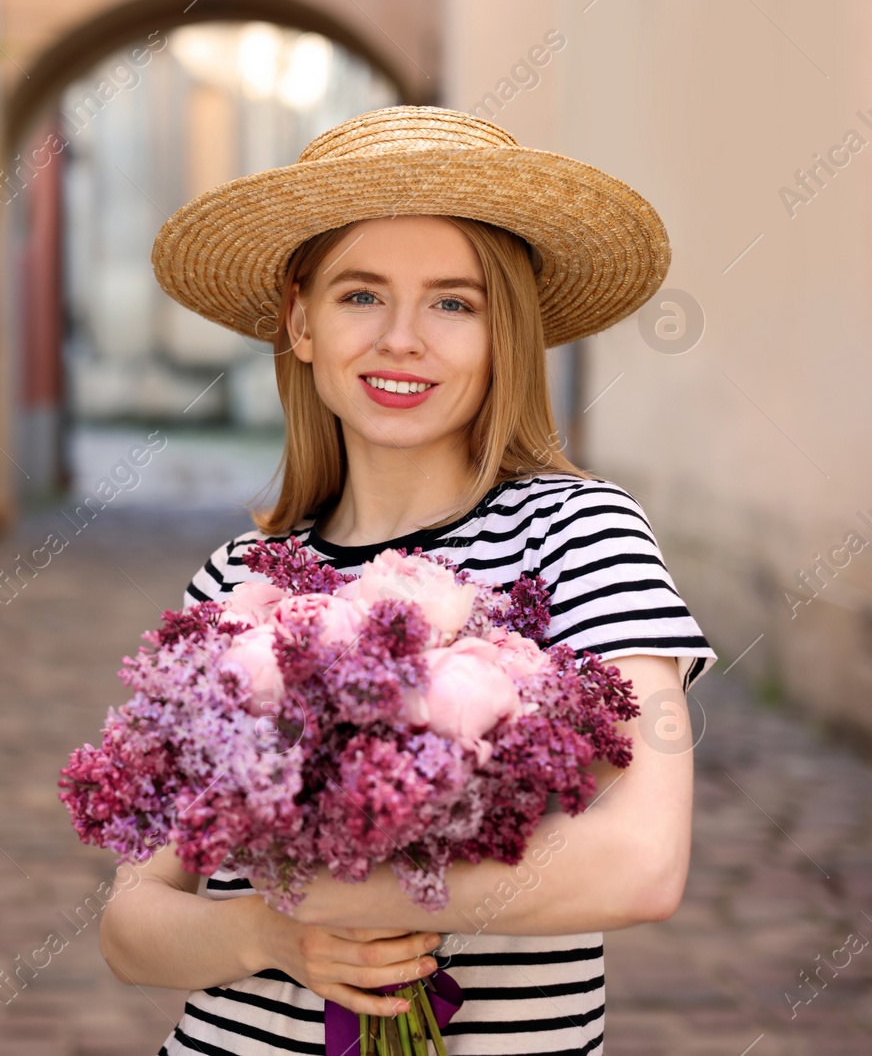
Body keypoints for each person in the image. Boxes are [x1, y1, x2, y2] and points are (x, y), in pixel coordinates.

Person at [98, 105, 718, 1055]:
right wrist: (272, 933)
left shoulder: (577, 534)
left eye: (454, 302)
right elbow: (132, 921)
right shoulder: (234, 582)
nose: (401, 338)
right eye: (359, 295)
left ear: (505, 335)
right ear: (300, 321)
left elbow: (642, 862)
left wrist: (341, 879)